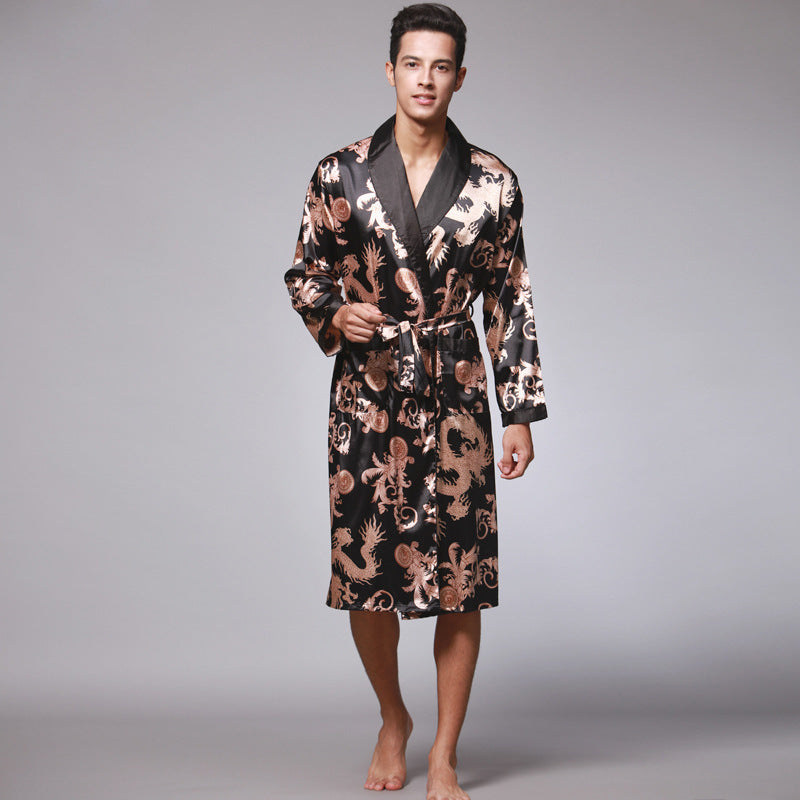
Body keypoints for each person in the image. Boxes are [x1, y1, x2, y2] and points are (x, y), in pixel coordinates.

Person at [283, 4, 547, 797]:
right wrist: (337, 315)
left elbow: (510, 298)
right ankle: (393, 718)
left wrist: (519, 414)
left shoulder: (494, 182)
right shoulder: (339, 173)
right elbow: (305, 273)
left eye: (440, 66)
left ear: (459, 77)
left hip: (458, 393)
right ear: (389, 70)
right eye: (411, 63)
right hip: (366, 396)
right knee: (366, 577)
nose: (425, 79)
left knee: (462, 578)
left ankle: (444, 754)